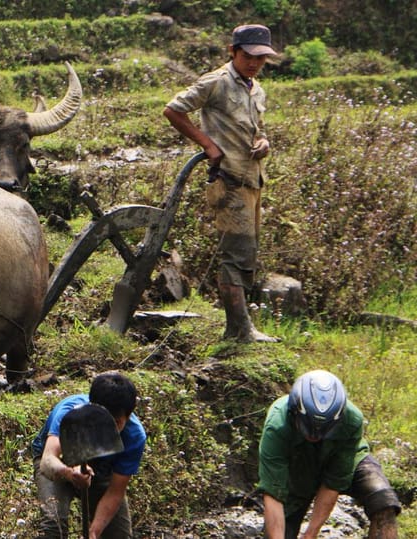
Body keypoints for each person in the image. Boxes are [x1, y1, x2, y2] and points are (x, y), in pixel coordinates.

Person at [163, 24, 279, 343]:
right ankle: (239, 330)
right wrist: (208, 145)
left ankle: (240, 327)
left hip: (253, 179)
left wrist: (264, 142)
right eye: (248, 56)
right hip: (228, 180)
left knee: (248, 252)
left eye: (261, 58)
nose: (254, 63)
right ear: (233, 51)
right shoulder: (216, 82)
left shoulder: (256, 89)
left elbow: (258, 129)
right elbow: (173, 110)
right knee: (236, 254)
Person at [257, 369, 401, 538]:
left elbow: (334, 481)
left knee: (383, 502)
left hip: (346, 457)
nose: (314, 435)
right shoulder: (277, 426)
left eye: (322, 428)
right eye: (308, 426)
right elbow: (274, 494)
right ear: (294, 411)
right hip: (295, 471)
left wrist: (310, 534)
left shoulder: (352, 420)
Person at [31, 371, 147, 538]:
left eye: (116, 423)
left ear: (129, 416)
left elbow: (115, 491)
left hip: (100, 471)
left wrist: (94, 531)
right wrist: (69, 473)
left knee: (118, 534)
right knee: (53, 524)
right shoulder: (69, 414)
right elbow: (47, 461)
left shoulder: (134, 436)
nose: (109, 429)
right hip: (60, 464)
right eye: (103, 421)